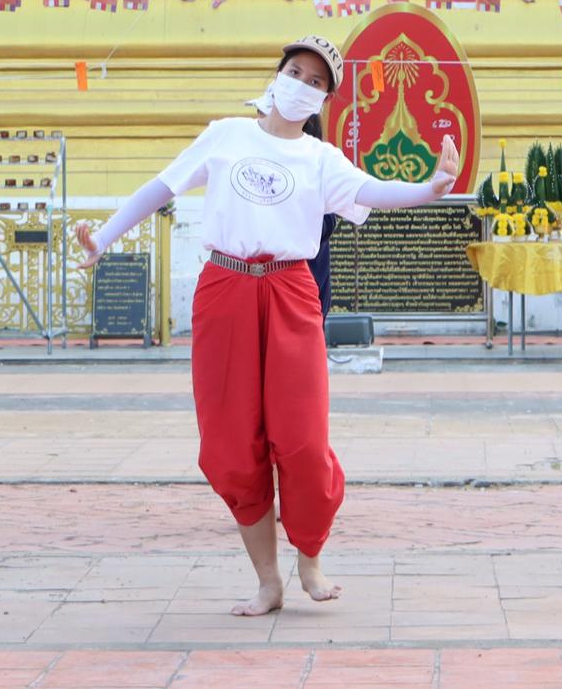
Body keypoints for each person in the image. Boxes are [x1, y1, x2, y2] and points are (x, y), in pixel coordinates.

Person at [77, 35, 462, 618]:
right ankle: (267, 581)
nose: (301, 84)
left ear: (323, 100)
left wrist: (431, 187)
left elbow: (374, 192)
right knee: (232, 442)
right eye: (296, 71)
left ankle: (310, 557)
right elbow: (162, 186)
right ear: (276, 74)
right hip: (225, 289)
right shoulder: (226, 134)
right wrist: (102, 239)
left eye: (316, 82)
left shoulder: (321, 159)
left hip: (290, 289)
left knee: (303, 440)